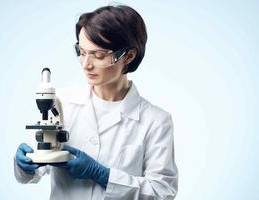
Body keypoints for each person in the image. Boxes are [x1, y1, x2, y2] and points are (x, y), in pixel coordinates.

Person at [14, 4, 178, 200]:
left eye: (98, 55)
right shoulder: (61, 103)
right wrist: (24, 165)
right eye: (81, 52)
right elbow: (30, 175)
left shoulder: (156, 121)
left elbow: (162, 192)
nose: (86, 64)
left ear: (129, 56)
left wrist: (104, 176)